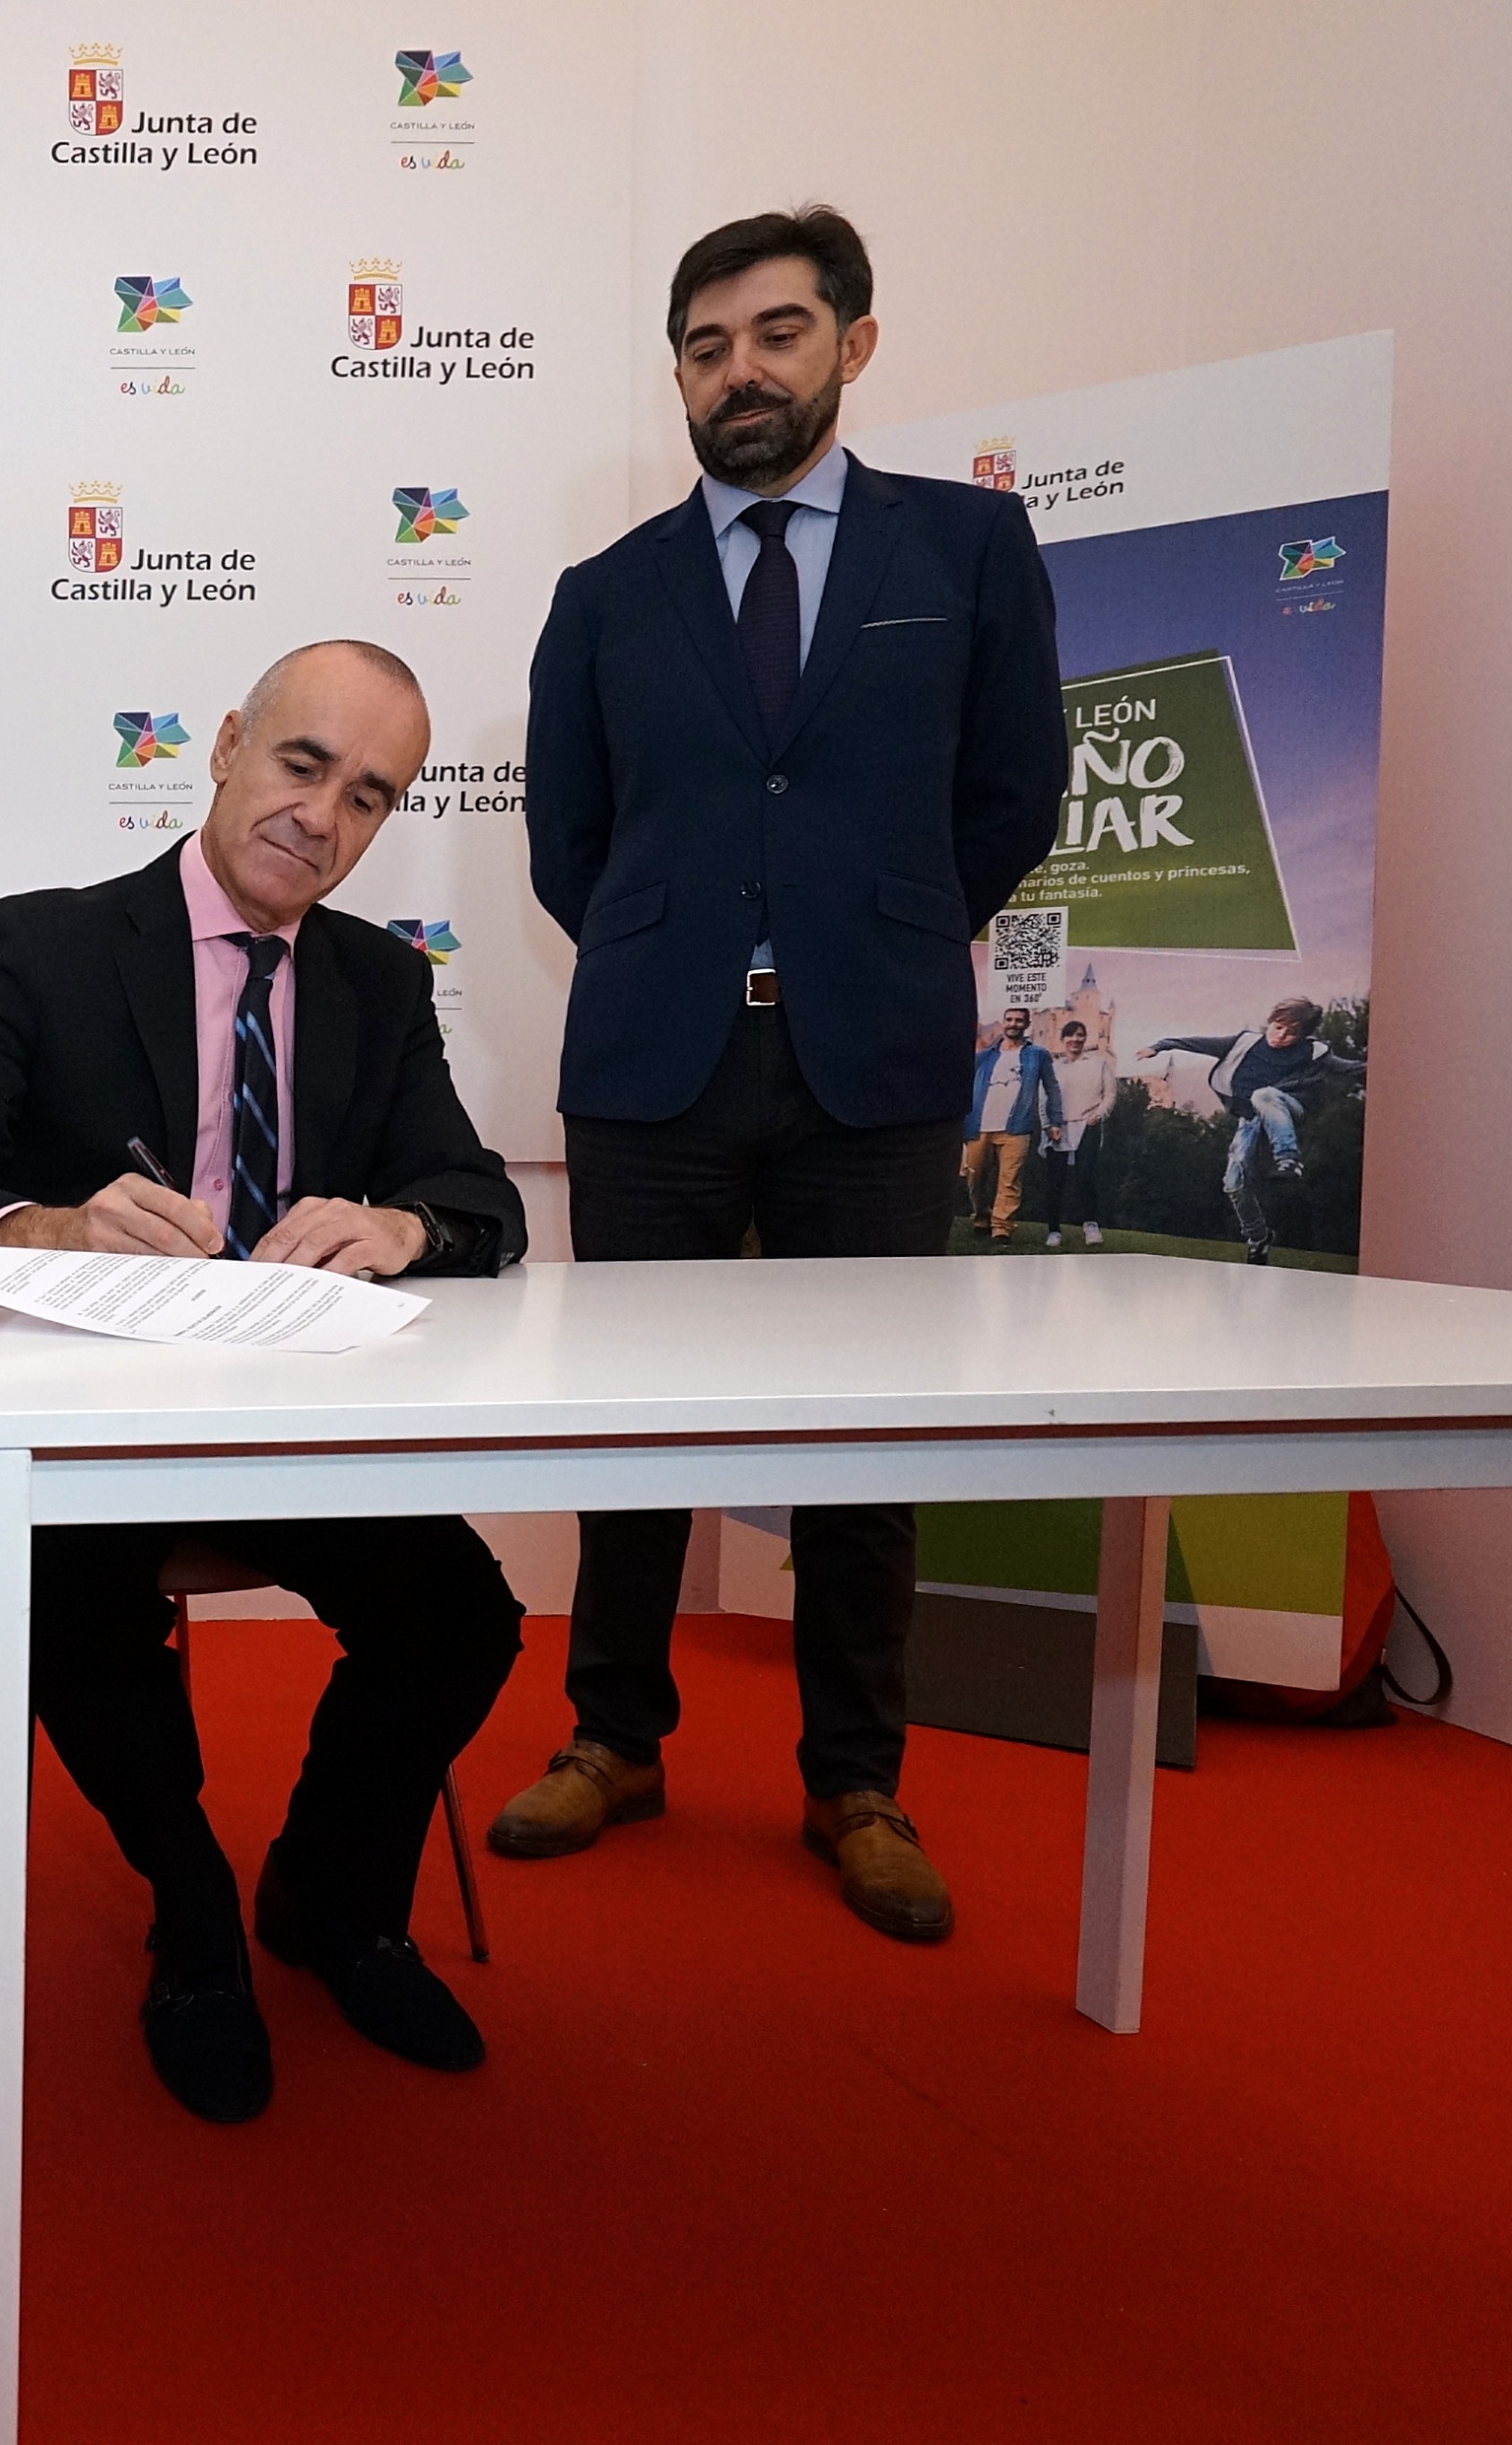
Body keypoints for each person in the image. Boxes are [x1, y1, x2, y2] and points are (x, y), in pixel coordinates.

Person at [0, 642, 527, 2120]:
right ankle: (193, 1910)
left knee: (463, 1621)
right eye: (301, 765)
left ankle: (330, 1895)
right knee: (73, 1617)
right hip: (88, 1437)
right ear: (224, 746)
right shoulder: (53, 946)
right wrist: (47, 1226)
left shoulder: (378, 980)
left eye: (367, 796)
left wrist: (405, 1226)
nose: (321, 818)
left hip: (297, 1429)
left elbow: (479, 1194)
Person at [514, 204, 1064, 1942]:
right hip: (651, 1064)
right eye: (704, 347)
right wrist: (678, 951)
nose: (738, 372)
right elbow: (567, 840)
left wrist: (876, 937)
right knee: (629, 1429)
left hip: (874, 1059)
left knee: (863, 1436)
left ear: (853, 343)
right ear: (676, 375)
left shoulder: (967, 547)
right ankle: (614, 1738)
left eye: (774, 333)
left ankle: (855, 1779)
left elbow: (1015, 792)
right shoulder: (604, 595)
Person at [1140, 998, 1363, 1264]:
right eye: (1278, 1027)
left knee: (1264, 1095)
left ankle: (1288, 1158)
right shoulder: (1244, 1043)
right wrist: (1160, 1046)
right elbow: (1197, 1043)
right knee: (1233, 1185)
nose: (1280, 1037)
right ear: (1271, 1022)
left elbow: (1349, 1068)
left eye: (1291, 1034)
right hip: (1249, 1122)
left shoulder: (1312, 1051)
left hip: (1289, 1110)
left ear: (1303, 1036)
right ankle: (1258, 1237)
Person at [960, 1007, 1058, 1244]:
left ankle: (1001, 1228)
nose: (1013, 1024)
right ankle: (981, 1217)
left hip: (1017, 1126)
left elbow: (1052, 1088)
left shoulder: (1037, 1055)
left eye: (1019, 1020)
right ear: (1003, 1022)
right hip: (979, 1125)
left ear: (1027, 1024)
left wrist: (1055, 1120)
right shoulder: (984, 1056)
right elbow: (963, 1086)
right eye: (1009, 1019)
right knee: (975, 1178)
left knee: (1010, 1179)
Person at [1040, 1015, 1115, 1247]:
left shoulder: (1099, 1063)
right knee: (1055, 1181)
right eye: (1070, 1035)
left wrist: (1098, 1115)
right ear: (1063, 1039)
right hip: (1058, 1128)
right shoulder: (1053, 1068)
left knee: (1086, 1178)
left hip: (1087, 1125)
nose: (1075, 1039)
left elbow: (1109, 1095)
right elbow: (1043, 1099)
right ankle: (1054, 1230)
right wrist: (1048, 1125)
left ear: (1085, 1039)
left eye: (1080, 1035)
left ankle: (1091, 1226)